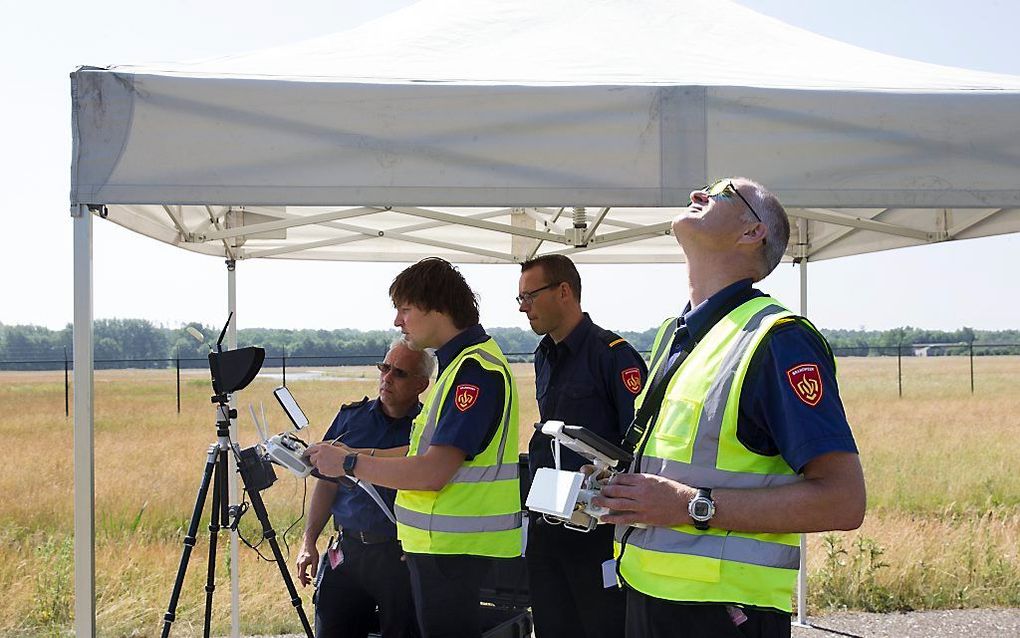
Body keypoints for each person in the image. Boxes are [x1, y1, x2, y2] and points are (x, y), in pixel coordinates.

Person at [593, 178, 867, 638]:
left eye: (719, 193)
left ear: (752, 232)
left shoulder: (779, 340)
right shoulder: (675, 334)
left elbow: (843, 502)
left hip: (724, 613)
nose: (698, 195)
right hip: (651, 593)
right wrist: (620, 490)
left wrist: (691, 506)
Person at [307, 257, 521, 638]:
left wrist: (351, 463)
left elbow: (432, 472)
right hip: (441, 548)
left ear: (435, 307)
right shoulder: (457, 367)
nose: (398, 321)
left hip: (452, 551)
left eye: (404, 309)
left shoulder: (475, 372)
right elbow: (417, 454)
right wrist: (348, 455)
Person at [517, 254, 646, 638]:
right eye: (519, 299)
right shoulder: (543, 355)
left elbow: (638, 442)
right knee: (552, 625)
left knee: (602, 626)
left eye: (530, 296)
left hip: (596, 528)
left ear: (564, 292)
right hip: (548, 520)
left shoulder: (613, 355)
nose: (524, 308)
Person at [295, 339, 434, 638]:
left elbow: (424, 468)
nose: (386, 378)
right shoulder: (351, 418)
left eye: (399, 373)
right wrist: (309, 541)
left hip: (400, 557)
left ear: (421, 385)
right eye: (384, 367)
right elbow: (326, 482)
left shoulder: (427, 429)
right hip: (346, 552)